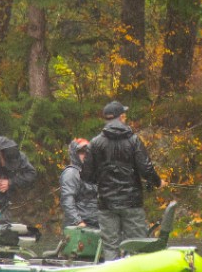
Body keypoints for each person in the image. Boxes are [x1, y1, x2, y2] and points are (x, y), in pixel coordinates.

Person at [83, 100, 161, 259]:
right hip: (131, 203)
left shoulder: (95, 143)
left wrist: (103, 181)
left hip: (106, 204)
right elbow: (146, 169)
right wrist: (158, 182)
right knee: (138, 244)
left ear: (106, 119)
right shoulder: (133, 140)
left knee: (110, 247)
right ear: (122, 117)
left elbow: (86, 176)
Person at [58, 137, 99, 229]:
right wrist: (78, 221)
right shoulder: (71, 173)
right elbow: (67, 200)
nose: (85, 155)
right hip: (79, 226)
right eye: (81, 152)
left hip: (97, 224)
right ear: (74, 154)